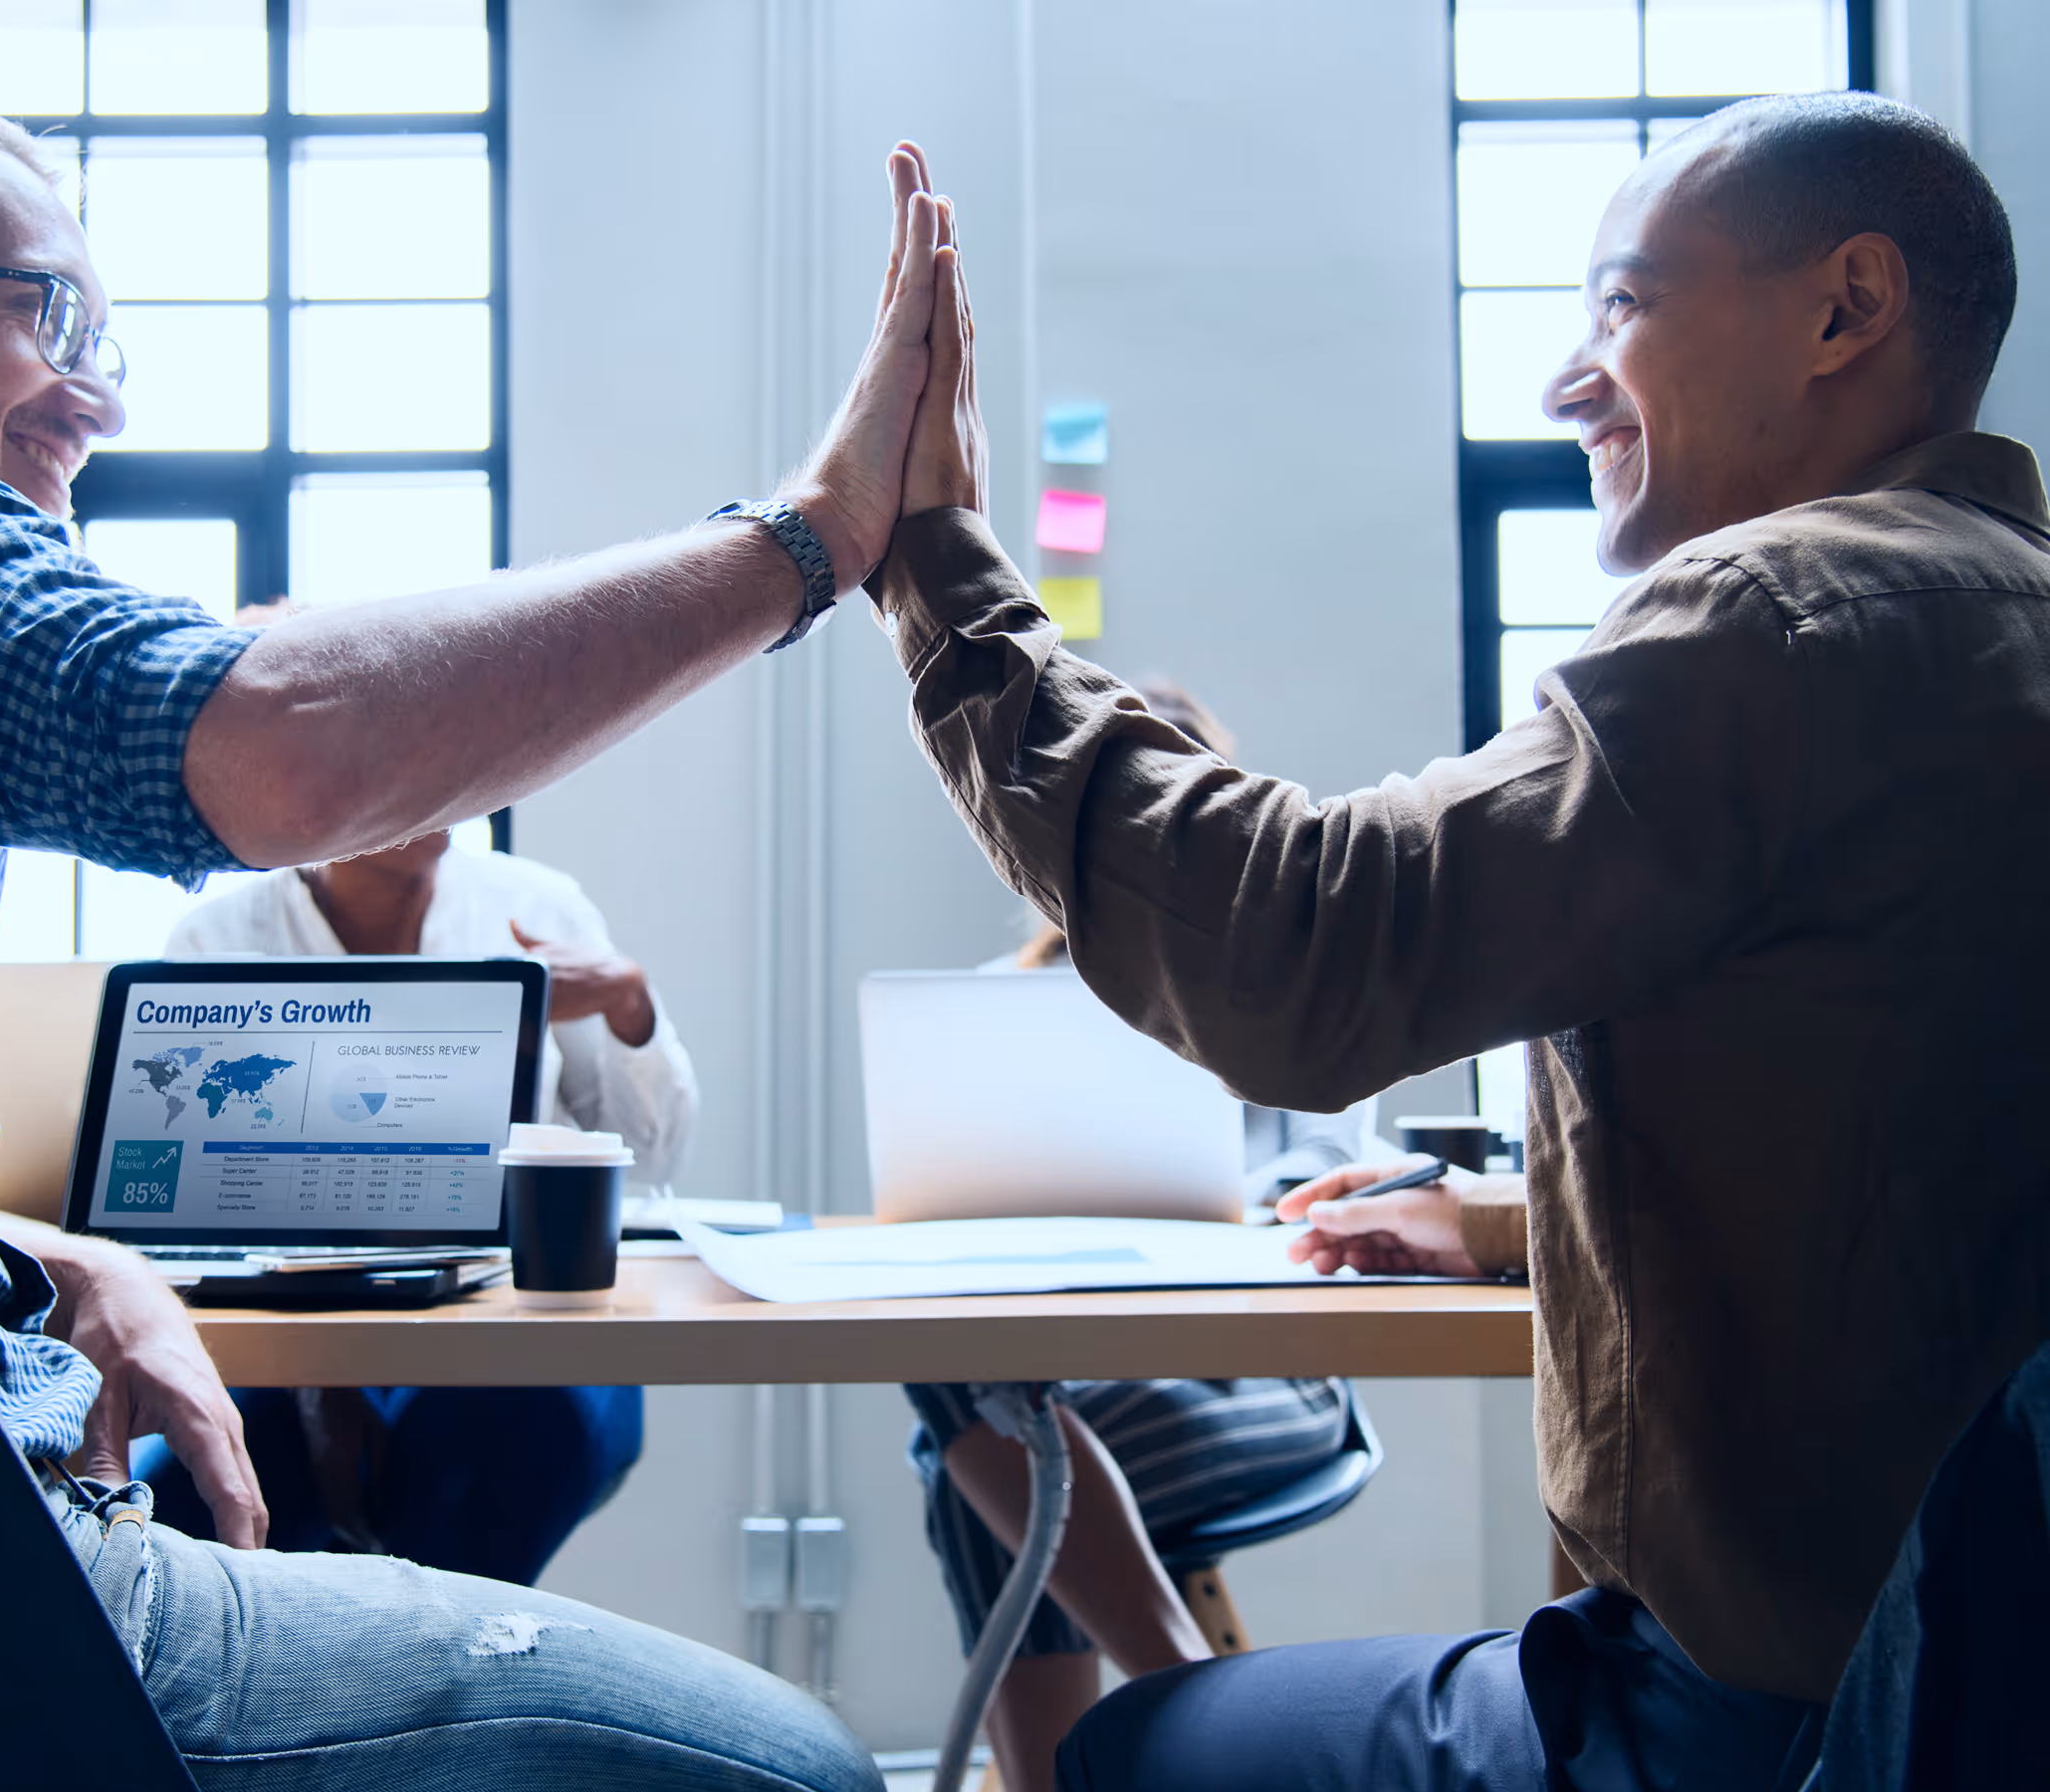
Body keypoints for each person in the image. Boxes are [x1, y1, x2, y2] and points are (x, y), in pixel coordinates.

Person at [0, 84, 948, 1787]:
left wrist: (33, 1256)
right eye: (43, 309)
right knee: (792, 1766)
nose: (96, 392)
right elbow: (284, 748)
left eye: (108, 335)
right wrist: (812, 541)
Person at [870, 98, 2045, 1788]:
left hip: (1776, 1720)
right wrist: (1511, 1218)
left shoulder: (1780, 616)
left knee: (1137, 1753)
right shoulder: (2002, 623)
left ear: (1845, 310)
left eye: (1624, 309)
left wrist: (935, 562)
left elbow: (1300, 944)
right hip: (1989, 1681)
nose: (1569, 383)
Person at [909, 676, 1369, 1792]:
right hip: (1078, 1372)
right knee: (966, 1402)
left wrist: (1239, 1210)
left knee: (972, 1467)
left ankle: (1127, 1735)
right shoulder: (998, 1007)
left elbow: (1333, 1185)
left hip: (1262, 1377)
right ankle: (1185, 1731)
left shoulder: (1283, 989)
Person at [141, 796, 694, 1579]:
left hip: (511, 1331)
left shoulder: (536, 908)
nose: (441, 786)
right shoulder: (217, 943)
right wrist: (318, 1386)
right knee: (174, 1515)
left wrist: (628, 1002)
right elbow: (198, 1210)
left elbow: (652, 1153)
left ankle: (426, 1688)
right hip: (287, 1340)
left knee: (492, 1449)